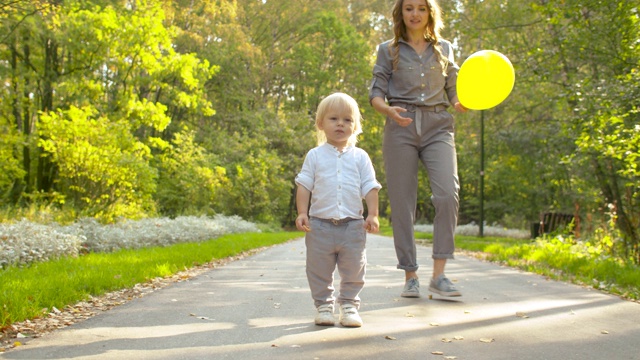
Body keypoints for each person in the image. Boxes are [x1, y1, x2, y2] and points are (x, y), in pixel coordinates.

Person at [369, 0, 467, 299]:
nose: (415, 14)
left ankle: (439, 275)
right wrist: (388, 112)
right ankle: (410, 275)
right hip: (401, 125)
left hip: (439, 125)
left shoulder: (445, 48)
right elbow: (376, 93)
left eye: (421, 8)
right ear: (401, 13)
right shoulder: (388, 50)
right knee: (402, 203)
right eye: (409, 8)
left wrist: (464, 101)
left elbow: (454, 92)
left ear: (430, 13)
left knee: (447, 195)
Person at [295, 92, 381, 327]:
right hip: (319, 225)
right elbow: (304, 185)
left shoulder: (361, 157)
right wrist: (302, 212)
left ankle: (349, 306)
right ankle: (323, 306)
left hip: (353, 225)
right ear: (321, 124)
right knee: (318, 269)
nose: (341, 124)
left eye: (347, 119)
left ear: (355, 126)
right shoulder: (314, 155)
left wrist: (372, 214)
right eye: (334, 119)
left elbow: (370, 186)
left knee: (354, 269)